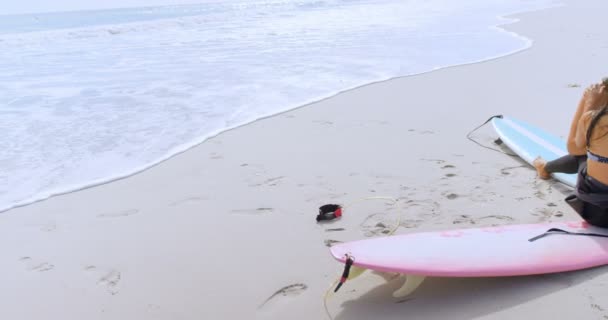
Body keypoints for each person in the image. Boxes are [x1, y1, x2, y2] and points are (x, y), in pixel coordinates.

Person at [533, 78, 608, 226]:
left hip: (595, 214)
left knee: (583, 155)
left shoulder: (596, 121)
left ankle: (545, 168)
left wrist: (588, 103)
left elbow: (574, 148)